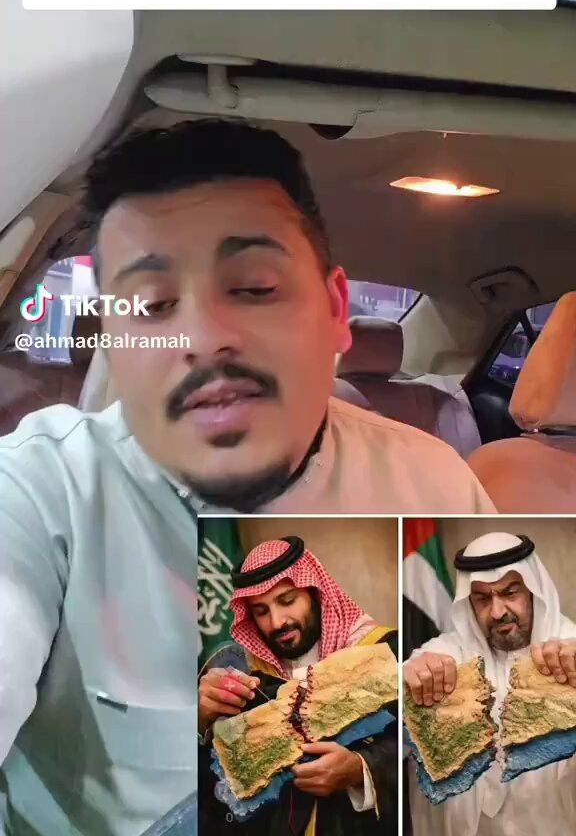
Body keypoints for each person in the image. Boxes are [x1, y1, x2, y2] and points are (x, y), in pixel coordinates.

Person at [0, 121, 491, 835]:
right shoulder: (40, 491)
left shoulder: (431, 485)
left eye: (254, 288)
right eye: (152, 306)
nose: (204, 339)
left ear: (336, 312)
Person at [198, 536, 398, 836]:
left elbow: (414, 747)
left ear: (315, 593)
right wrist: (200, 723)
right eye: (261, 611)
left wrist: (361, 769)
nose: (277, 622)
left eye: (287, 600)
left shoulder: (381, 653)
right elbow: (214, 793)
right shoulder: (245, 677)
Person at [403, 532, 576, 836]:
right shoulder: (448, 653)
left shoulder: (570, 649)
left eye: (510, 593)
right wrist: (411, 677)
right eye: (482, 599)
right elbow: (400, 692)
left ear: (533, 591)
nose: (498, 612)